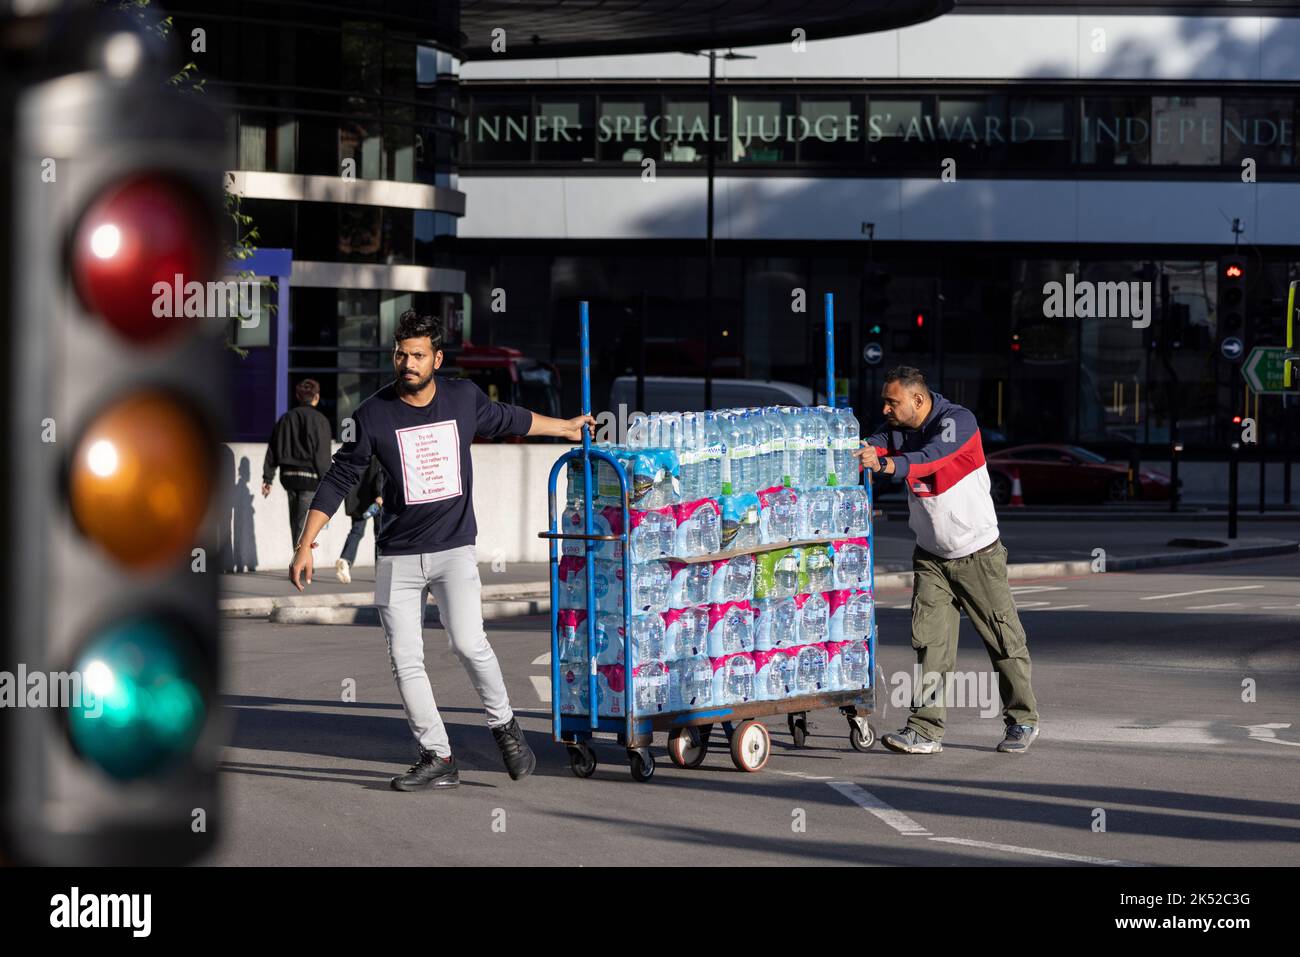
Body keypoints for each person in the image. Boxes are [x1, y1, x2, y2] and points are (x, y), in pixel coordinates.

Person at [290, 310, 595, 791]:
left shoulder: (463, 398)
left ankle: (505, 727)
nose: (406, 363)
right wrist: (306, 544)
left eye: (416, 355)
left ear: (436, 358)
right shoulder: (372, 414)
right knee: (405, 658)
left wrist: (566, 429)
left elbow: (513, 418)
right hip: (396, 555)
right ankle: (437, 754)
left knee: (468, 643)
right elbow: (340, 477)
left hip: (453, 547)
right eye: (400, 354)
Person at [853, 366, 1040, 755]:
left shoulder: (958, 422)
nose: (885, 407)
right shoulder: (898, 427)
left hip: (978, 553)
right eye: (884, 401)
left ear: (917, 400)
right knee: (930, 643)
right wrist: (866, 450)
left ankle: (1022, 720)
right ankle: (924, 729)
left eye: (893, 401)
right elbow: (879, 441)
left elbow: (930, 458)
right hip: (931, 557)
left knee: (1003, 640)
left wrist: (886, 465)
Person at [262, 378, 333, 549]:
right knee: (303, 524)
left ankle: (298, 558)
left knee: (295, 521)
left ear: (297, 396)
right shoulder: (320, 420)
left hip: (288, 477)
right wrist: (328, 484)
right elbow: (322, 455)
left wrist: (268, 478)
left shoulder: (285, 419)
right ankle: (299, 561)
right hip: (309, 479)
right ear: (316, 397)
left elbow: (273, 449)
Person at [336, 455, 385, 584]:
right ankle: (381, 573)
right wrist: (380, 494)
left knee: (356, 531)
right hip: (376, 499)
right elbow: (379, 472)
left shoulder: (355, 449)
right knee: (379, 535)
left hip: (358, 500)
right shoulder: (377, 447)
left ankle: (345, 560)